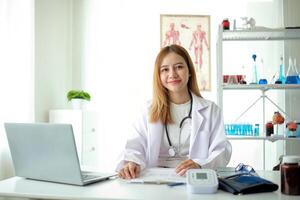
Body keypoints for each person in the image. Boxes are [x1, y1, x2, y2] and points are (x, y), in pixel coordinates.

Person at [116, 45, 231, 179]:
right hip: (154, 179)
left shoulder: (211, 110)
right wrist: (132, 162)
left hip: (193, 178)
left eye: (179, 67)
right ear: (159, 76)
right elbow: (135, 145)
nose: (172, 74)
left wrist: (200, 164)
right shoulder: (148, 110)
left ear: (189, 71)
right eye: (165, 69)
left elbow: (222, 150)